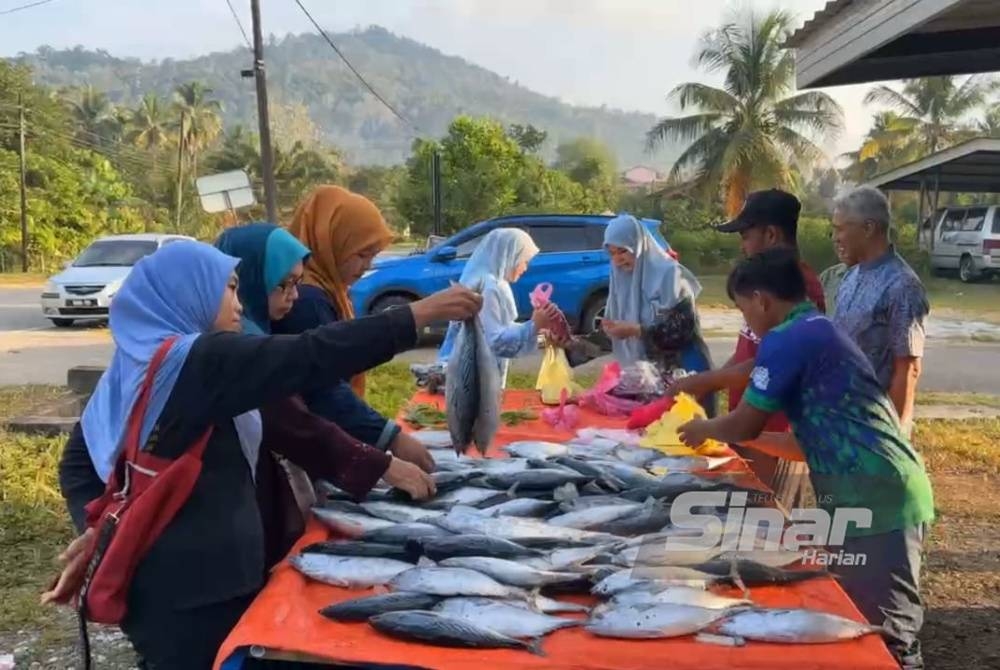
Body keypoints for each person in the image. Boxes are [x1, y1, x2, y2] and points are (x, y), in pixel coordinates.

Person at [44, 240, 481, 669]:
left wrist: (101, 525)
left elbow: (288, 424)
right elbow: (311, 354)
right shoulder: (197, 361)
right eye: (229, 288)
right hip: (196, 596)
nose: (239, 304)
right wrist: (419, 314)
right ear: (189, 292)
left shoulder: (142, 362)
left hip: (170, 587)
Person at [677, 248, 934, 670]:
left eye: (744, 309)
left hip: (879, 494)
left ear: (761, 299)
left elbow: (743, 424)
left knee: (889, 632)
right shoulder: (813, 329)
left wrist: (703, 428)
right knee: (853, 615)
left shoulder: (789, 337)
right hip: (860, 491)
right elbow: (802, 442)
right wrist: (743, 442)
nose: (747, 321)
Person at [666, 189, 824, 506]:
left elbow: (771, 365)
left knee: (767, 522)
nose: (742, 245)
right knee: (744, 514)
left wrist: (703, 382)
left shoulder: (795, 286)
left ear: (770, 234)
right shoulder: (763, 282)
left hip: (777, 431)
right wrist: (709, 381)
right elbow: (747, 353)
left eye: (745, 235)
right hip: (749, 422)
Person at [275, 185, 432, 471]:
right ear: (332, 241)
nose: (366, 265)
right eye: (361, 254)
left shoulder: (328, 288)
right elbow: (323, 388)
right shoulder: (306, 299)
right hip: (310, 446)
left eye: (373, 255)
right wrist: (389, 438)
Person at [565, 214, 714, 409]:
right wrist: (572, 344)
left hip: (686, 375)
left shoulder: (669, 275)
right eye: (612, 253)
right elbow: (613, 336)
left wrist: (638, 331)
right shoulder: (620, 281)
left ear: (639, 246)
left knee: (686, 435)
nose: (617, 260)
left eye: (623, 251)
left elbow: (682, 330)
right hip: (647, 382)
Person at [831, 186, 929, 437]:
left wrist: (892, 438)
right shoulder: (851, 277)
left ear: (868, 228)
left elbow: (908, 369)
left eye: (841, 228)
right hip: (842, 418)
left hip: (874, 429)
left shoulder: (902, 285)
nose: (835, 237)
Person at [436, 227, 561, 387]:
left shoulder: (482, 279)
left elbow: (501, 329)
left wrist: (541, 334)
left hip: (464, 377)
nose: (525, 267)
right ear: (509, 256)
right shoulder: (491, 287)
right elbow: (496, 342)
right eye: (524, 260)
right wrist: (534, 324)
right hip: (473, 384)